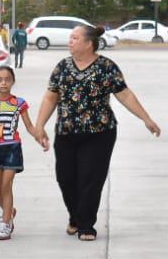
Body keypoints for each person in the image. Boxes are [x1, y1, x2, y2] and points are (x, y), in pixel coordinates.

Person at [32, 24, 161, 242]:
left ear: (88, 43)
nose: (70, 41)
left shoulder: (106, 67)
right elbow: (50, 97)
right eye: (70, 37)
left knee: (90, 179)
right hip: (66, 132)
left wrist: (146, 119)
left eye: (75, 38)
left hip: (99, 132)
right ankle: (75, 217)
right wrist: (39, 125)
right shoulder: (62, 67)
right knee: (65, 178)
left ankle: (86, 225)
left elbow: (125, 95)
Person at [0, 65, 45, 241]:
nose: (3, 83)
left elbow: (29, 126)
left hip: (13, 148)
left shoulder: (19, 103)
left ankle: (6, 223)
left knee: (6, 185)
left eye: (7, 79)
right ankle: (9, 210)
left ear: (13, 81)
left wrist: (39, 137)